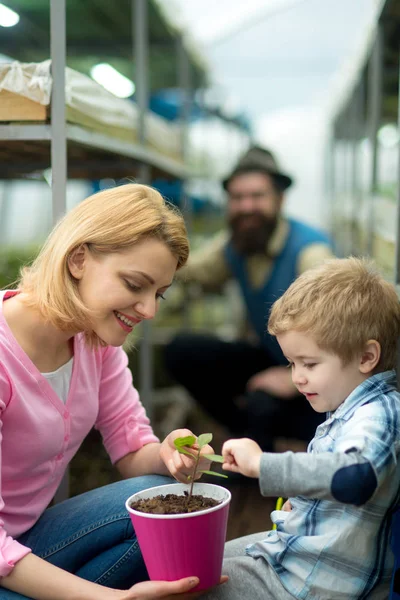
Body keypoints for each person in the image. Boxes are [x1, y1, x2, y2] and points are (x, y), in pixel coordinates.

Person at [0, 183, 225, 600]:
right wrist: (111, 597)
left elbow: (130, 448)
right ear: (79, 259)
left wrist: (170, 453)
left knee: (161, 520)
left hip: (27, 539)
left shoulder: (93, 342)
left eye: (158, 293)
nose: (150, 310)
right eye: (135, 284)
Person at [201, 257, 400, 600]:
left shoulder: (380, 415)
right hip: (298, 559)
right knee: (201, 564)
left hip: (312, 583)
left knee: (191, 584)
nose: (297, 377)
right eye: (292, 363)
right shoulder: (351, 407)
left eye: (309, 363)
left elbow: (357, 476)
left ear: (367, 357)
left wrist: (262, 464)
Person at [164, 145, 335, 451]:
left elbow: (341, 334)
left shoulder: (309, 253)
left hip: (318, 378)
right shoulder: (236, 245)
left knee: (263, 403)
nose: (246, 206)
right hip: (271, 357)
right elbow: (194, 270)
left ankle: (261, 462)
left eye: (257, 196)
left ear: (280, 199)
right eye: (237, 198)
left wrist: (291, 378)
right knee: (182, 351)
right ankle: (246, 437)